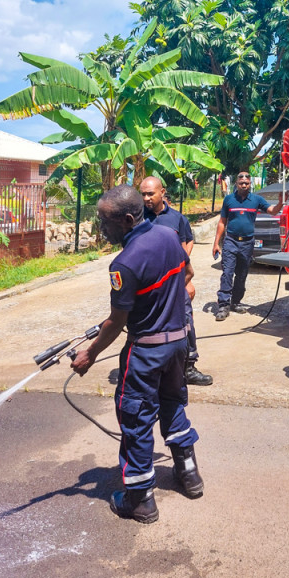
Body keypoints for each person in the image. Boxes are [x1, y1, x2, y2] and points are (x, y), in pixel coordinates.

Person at [71, 185, 203, 524]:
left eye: (105, 222)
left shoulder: (124, 263)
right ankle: (189, 474)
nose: (101, 229)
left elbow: (117, 322)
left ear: (128, 220)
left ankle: (140, 500)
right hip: (178, 345)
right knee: (173, 403)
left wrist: (90, 353)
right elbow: (187, 275)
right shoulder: (168, 236)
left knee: (136, 418)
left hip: (146, 352)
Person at [140, 175, 213, 386]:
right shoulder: (137, 218)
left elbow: (187, 241)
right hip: (149, 284)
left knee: (186, 320)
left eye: (150, 194)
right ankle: (153, 367)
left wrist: (185, 278)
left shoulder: (177, 218)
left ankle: (189, 366)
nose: (146, 198)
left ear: (162, 193)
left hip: (176, 282)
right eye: (143, 194)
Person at [212, 172, 283, 321]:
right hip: (231, 241)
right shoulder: (229, 200)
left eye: (247, 183)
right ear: (236, 184)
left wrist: (280, 203)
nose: (244, 185)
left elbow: (272, 211)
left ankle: (235, 302)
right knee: (227, 273)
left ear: (250, 184)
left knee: (242, 274)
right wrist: (216, 243)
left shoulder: (256, 200)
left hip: (247, 243)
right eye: (241, 183)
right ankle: (224, 305)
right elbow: (222, 222)